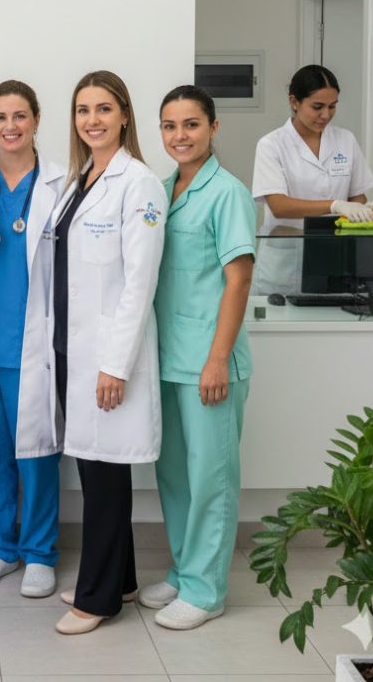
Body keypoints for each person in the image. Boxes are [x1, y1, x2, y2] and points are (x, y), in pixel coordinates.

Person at [51, 70, 166, 635]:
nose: (92, 120)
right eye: (83, 110)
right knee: (98, 473)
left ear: (124, 115)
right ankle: (119, 580)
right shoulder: (83, 179)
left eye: (103, 109)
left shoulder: (138, 184)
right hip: (73, 350)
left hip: (106, 357)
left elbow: (139, 284)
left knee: (103, 479)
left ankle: (96, 600)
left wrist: (115, 365)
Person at [141, 85, 255, 630]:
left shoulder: (227, 192)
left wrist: (217, 360)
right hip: (167, 358)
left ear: (213, 127)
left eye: (191, 124)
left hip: (209, 362)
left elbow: (239, 279)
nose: (180, 135)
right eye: (170, 125)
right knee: (175, 477)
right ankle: (185, 571)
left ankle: (206, 591)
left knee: (211, 479)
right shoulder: (162, 191)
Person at [0, 80, 64, 599]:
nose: (10, 126)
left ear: (36, 120)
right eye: (1, 117)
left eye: (20, 116)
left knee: (39, 454)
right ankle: (0, 547)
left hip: (36, 344)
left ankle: (40, 552)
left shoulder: (61, 185)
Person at [251, 64, 373, 295]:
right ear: (294, 102)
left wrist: (364, 211)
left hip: (333, 253)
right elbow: (279, 206)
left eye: (332, 106)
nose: (326, 115)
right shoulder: (272, 144)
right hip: (286, 259)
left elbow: (357, 195)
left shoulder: (346, 140)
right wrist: (335, 205)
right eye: (317, 107)